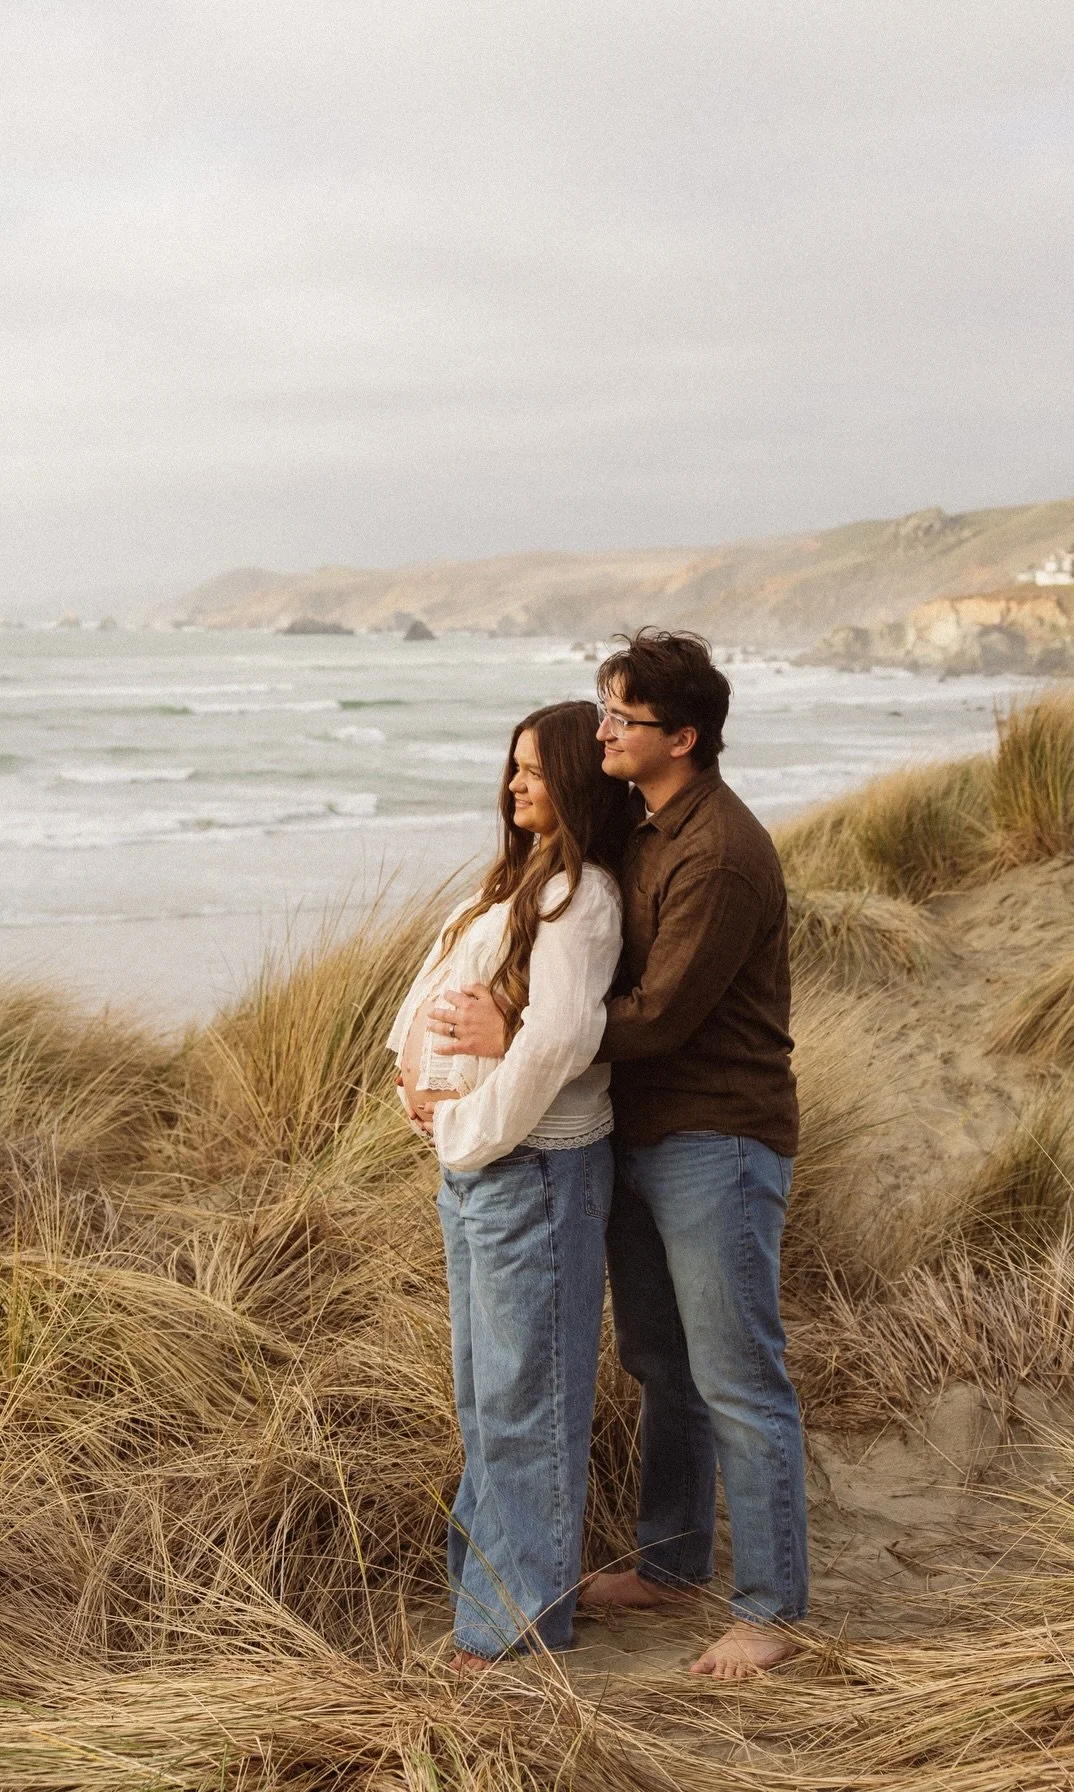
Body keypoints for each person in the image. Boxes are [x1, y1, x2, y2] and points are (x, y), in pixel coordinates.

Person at [430, 630, 808, 1681]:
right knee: (661, 1365)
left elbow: (659, 1015)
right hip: (634, 1133)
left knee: (739, 1376)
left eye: (622, 719)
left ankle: (771, 1609)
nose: (601, 732)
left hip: (716, 1135)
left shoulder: (721, 853)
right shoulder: (642, 831)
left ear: (680, 737)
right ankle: (673, 1565)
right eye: (601, 713)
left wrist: (515, 1034)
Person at [388, 699, 637, 1671]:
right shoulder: (516, 886)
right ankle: (487, 1600)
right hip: (484, 1174)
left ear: (575, 777)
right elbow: (427, 1002)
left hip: (528, 1172)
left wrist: (464, 1128)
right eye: (513, 766)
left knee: (526, 1400)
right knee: (487, 1399)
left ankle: (515, 1624)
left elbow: (563, 1042)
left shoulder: (584, 897)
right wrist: (414, 1091)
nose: (516, 783)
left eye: (535, 769)